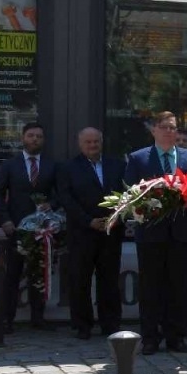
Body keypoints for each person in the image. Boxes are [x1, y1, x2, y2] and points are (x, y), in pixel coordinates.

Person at [123, 111, 187, 356]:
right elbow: (129, 194)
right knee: (150, 287)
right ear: (153, 130)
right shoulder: (139, 158)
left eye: (173, 127)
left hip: (182, 233)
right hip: (150, 234)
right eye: (164, 127)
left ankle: (176, 336)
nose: (169, 131)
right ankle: (150, 337)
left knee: (179, 286)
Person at [54, 127, 125, 340]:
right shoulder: (68, 168)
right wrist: (88, 221)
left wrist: (114, 217)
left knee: (109, 280)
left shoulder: (117, 165)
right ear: (80, 144)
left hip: (111, 231)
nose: (93, 146)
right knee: (80, 280)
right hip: (82, 232)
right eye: (88, 142)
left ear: (101, 142)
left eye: (96, 142)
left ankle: (110, 324)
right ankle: (82, 325)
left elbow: (126, 194)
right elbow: (67, 199)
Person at [0, 121, 56, 337]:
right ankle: (7, 319)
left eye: (38, 136)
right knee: (12, 276)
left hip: (42, 229)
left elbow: (61, 192)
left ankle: (38, 318)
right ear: (23, 138)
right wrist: (4, 220)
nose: (34, 139)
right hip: (16, 228)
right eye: (31, 136)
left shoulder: (51, 165)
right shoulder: (10, 165)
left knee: (39, 274)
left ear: (43, 140)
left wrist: (52, 205)